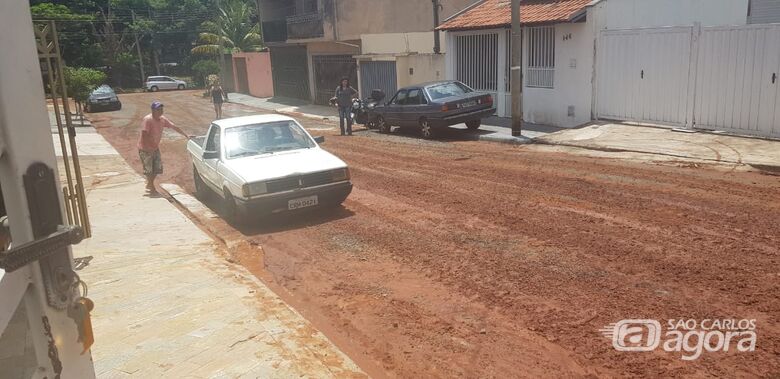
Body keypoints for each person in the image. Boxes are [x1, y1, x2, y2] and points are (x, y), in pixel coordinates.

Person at [137, 101, 189, 195]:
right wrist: (148, 148)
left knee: (157, 168)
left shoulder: (162, 119)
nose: (161, 111)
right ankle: (152, 188)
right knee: (149, 170)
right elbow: (144, 134)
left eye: (161, 109)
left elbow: (174, 126)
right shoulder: (148, 120)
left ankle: (149, 184)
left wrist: (186, 135)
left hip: (154, 148)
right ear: (153, 110)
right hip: (145, 149)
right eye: (158, 109)